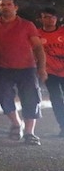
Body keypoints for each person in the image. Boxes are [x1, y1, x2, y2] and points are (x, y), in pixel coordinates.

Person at [0, 0, 46, 146]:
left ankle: (30, 133)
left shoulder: (27, 25)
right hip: (3, 68)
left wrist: (42, 68)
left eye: (9, 4)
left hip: (27, 68)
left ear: (16, 7)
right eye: (2, 5)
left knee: (31, 99)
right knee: (3, 97)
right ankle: (17, 123)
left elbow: (38, 47)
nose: (5, 7)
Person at [39, 8, 64, 137]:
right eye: (47, 17)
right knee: (56, 99)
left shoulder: (62, 32)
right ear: (42, 19)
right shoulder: (37, 35)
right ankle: (62, 125)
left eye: (53, 17)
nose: (50, 20)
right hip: (50, 72)